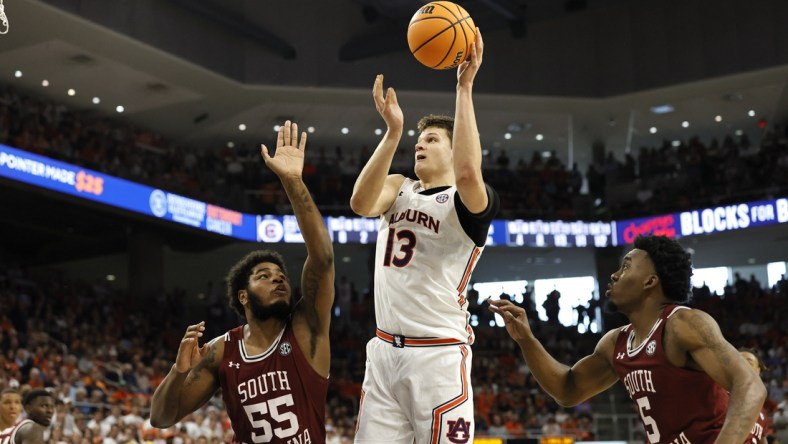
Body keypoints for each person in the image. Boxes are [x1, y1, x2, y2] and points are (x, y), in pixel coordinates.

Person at [350, 29, 499, 443]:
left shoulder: (467, 202)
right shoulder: (398, 185)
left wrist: (464, 87)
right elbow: (361, 203)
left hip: (436, 354)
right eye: (418, 140)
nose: (421, 145)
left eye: (432, 140)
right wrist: (392, 133)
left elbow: (469, 172)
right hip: (382, 352)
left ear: (454, 151)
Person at [150, 120, 335, 443]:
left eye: (281, 277)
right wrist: (178, 372)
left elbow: (322, 259)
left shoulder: (307, 328)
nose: (278, 280)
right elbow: (161, 417)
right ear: (244, 296)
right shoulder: (222, 351)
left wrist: (293, 182)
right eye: (264, 276)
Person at [489, 235, 766, 444]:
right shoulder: (616, 343)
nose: (614, 274)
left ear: (650, 281)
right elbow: (568, 389)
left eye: (626, 266)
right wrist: (527, 340)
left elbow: (750, 386)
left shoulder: (683, 323)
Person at [740, 348, 770, 444]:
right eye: (738, 361)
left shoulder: (761, 410)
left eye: (749, 363)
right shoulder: (718, 395)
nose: (743, 365)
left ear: (757, 371)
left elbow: (762, 440)